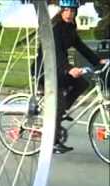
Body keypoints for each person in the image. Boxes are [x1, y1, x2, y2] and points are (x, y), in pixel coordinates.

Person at [50, 0, 108, 154]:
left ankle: (61, 112)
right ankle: (52, 143)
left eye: (72, 11)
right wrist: (69, 69)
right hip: (47, 69)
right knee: (58, 105)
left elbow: (80, 46)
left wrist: (97, 60)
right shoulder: (55, 29)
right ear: (61, 11)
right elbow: (56, 53)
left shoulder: (70, 28)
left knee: (81, 84)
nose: (69, 13)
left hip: (60, 69)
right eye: (67, 10)